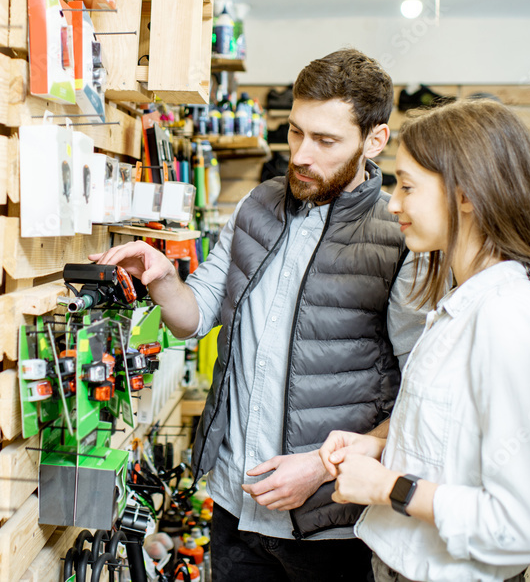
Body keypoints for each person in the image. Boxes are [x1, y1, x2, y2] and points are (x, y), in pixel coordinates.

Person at [91, 49, 426, 580]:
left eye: (326, 141)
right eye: (295, 132)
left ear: (375, 140)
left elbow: (418, 396)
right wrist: (161, 277)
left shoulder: (399, 240)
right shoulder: (256, 207)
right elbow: (195, 315)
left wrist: (321, 466)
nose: (301, 155)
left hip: (333, 526)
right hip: (234, 508)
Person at [319, 100, 530, 582]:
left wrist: (388, 486)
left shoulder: (509, 319)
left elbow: (528, 527)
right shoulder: (466, 305)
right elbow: (459, 440)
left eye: (408, 186)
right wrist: (380, 448)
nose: (393, 202)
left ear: (467, 196)